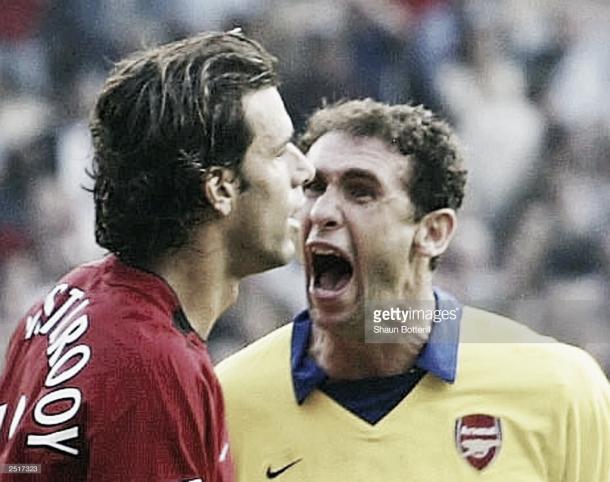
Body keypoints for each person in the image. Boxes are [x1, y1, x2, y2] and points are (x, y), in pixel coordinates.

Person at [216, 99, 610, 481]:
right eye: (315, 188)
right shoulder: (227, 400)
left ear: (433, 232)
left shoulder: (560, 387)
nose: (320, 212)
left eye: (360, 191)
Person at [0, 30, 314, 481]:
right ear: (220, 188)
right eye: (281, 151)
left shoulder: (67, 300)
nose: (304, 169)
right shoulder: (153, 368)